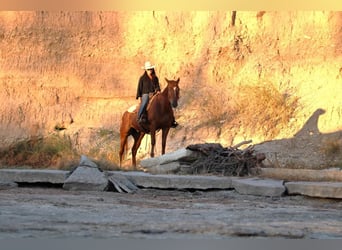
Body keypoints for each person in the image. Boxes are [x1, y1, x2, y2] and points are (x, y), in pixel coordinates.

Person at [136, 61, 178, 127]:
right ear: (146, 70)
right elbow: (139, 87)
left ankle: (171, 119)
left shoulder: (155, 78)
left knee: (165, 101)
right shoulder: (142, 78)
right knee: (145, 101)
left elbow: (157, 86)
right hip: (145, 94)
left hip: (154, 93)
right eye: (148, 69)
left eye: (151, 69)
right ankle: (140, 117)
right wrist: (139, 96)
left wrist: (158, 90)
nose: (150, 70)